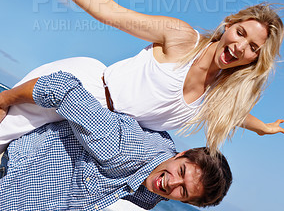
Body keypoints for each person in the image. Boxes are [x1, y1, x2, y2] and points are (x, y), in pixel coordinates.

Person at [2, 0, 284, 155]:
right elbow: (110, 12)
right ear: (227, 25)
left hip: (99, 134)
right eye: (240, 33)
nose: (240, 47)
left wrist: (262, 127)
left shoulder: (219, 95)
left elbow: (236, 113)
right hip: (81, 90)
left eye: (252, 48)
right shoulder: (182, 38)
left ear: (254, 60)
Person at [0, 71, 232, 210]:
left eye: (183, 192)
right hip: (14, 176)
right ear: (182, 154)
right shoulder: (123, 148)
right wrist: (3, 100)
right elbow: (62, 87)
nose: (172, 184)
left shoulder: (153, 193)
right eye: (181, 172)